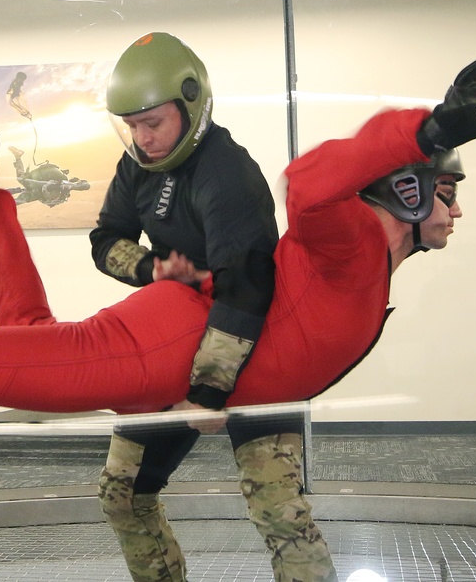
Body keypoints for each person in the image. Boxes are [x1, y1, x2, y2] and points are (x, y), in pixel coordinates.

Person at [0, 45, 476, 581]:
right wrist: (421, 132)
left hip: (239, 383)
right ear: (405, 190)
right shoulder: (355, 246)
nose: (456, 210)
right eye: (446, 193)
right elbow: (308, 185)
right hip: (181, 351)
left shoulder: (372, 267)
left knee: (47, 365)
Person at [88, 32, 292, 580]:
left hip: (254, 352)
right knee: (123, 495)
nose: (143, 138)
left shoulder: (229, 172)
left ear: (190, 102)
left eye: (152, 122)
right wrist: (149, 268)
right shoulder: (139, 165)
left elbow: (246, 289)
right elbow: (106, 240)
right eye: (131, 125)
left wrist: (206, 393)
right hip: (174, 347)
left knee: (282, 518)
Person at [6, 145, 90, 207]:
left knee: (23, 181)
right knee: (21, 179)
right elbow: (84, 186)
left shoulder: (36, 193)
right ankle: (17, 157)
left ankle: (17, 156)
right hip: (45, 174)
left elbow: (20, 199)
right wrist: (78, 185)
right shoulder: (62, 186)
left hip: (46, 173)